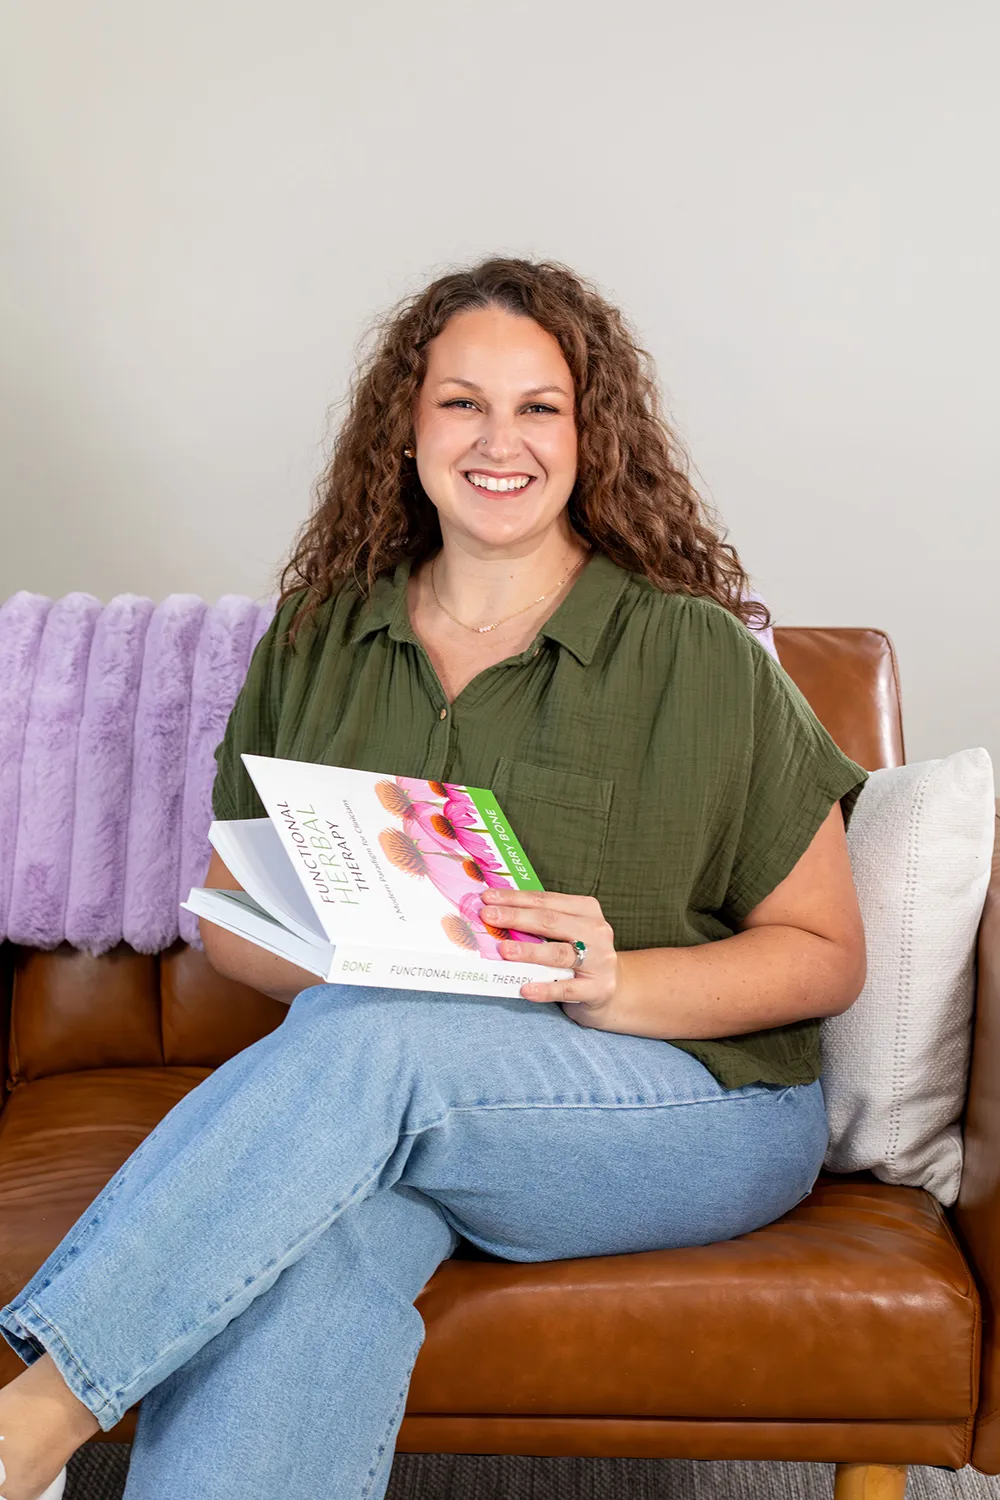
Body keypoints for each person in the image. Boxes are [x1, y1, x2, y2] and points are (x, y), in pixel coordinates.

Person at [0, 258, 868, 1500]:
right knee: (312, 1242)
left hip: (695, 1107)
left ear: (588, 436)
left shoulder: (695, 651)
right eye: (462, 403)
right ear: (406, 431)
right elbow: (229, 920)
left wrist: (605, 978)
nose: (498, 440)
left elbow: (826, 954)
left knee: (379, 1046)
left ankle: (37, 1419)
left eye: (538, 407)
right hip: (389, 1099)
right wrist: (378, 955)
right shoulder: (316, 640)